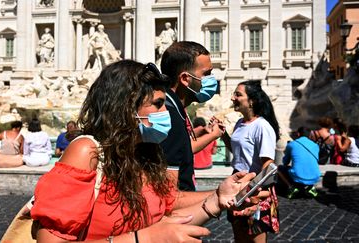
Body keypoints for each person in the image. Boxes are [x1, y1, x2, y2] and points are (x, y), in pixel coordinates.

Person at [30, 60, 258, 242]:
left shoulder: (147, 151)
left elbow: (168, 202)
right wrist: (143, 238)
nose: (164, 112)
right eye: (158, 104)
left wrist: (219, 198)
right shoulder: (86, 151)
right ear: (126, 107)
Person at [219, 81, 280, 242]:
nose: (233, 98)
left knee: (254, 237)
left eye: (238, 94)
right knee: (239, 237)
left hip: (254, 188)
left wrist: (250, 190)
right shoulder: (240, 123)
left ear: (251, 101)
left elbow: (268, 166)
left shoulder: (262, 126)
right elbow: (238, 154)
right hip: (238, 185)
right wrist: (223, 135)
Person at [160, 41, 222, 191]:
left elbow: (180, 147)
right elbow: (170, 194)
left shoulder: (176, 108)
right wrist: (221, 196)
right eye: (206, 74)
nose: (212, 79)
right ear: (185, 79)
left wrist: (201, 132)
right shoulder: (169, 115)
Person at [278, 127, 320, 199]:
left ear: (298, 134)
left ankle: (291, 187)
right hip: (315, 176)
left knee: (279, 168)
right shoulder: (316, 145)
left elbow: (285, 162)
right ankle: (310, 187)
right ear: (310, 135)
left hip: (298, 175)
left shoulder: (292, 144)